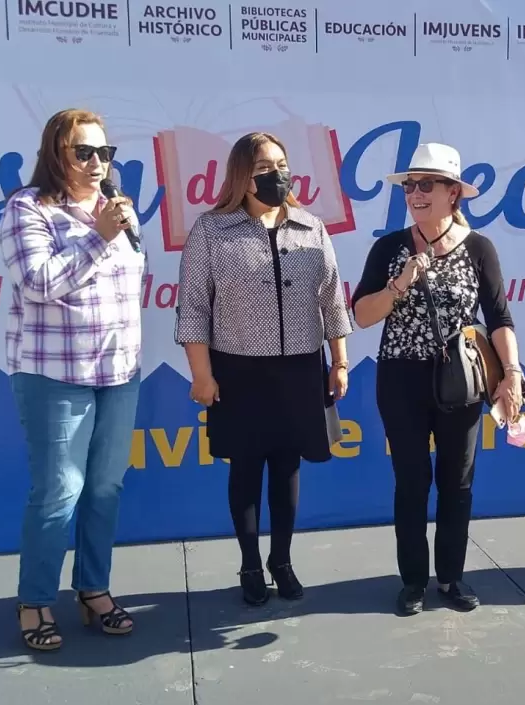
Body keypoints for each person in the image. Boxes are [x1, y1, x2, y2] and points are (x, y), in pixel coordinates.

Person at [175, 132, 352, 606]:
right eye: (263, 168)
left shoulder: (310, 227)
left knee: (288, 467)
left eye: (282, 163)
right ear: (241, 177)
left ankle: (283, 559)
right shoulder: (212, 230)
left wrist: (339, 361)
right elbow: (192, 309)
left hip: (300, 368)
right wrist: (202, 374)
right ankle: (251, 564)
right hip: (238, 371)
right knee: (247, 469)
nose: (277, 175)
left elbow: (332, 299)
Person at [352, 143, 525, 616]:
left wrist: (510, 373)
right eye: (410, 185)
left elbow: (500, 318)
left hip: (462, 382)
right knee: (411, 482)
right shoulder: (389, 247)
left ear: (454, 194)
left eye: (427, 185)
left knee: (458, 482)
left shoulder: (478, 248)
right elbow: (361, 315)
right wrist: (400, 283)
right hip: (401, 379)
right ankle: (412, 582)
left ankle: (451, 577)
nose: (416, 193)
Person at [0, 109, 145, 651]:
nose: (97, 163)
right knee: (59, 489)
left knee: (105, 487)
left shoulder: (118, 209)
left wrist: (112, 228)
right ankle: (35, 600)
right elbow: (37, 282)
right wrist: (98, 238)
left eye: (104, 153)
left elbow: (129, 285)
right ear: (56, 153)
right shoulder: (26, 208)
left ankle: (94, 590)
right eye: (84, 152)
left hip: (118, 371)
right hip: (53, 373)